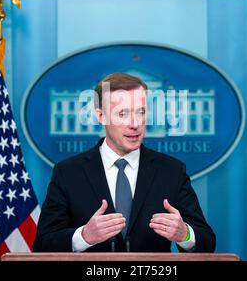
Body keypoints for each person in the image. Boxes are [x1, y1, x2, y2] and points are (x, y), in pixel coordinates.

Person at [33, 73, 216, 252]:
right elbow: (43, 245)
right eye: (122, 113)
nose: (135, 123)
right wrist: (84, 236)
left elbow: (207, 242)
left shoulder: (172, 171)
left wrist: (185, 234)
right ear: (101, 116)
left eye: (141, 112)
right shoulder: (68, 173)